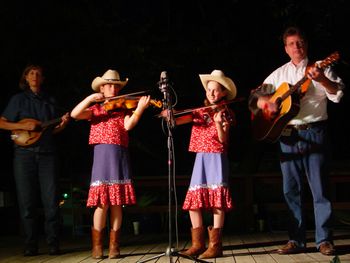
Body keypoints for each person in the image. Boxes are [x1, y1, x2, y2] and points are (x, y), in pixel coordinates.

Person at [248, 26, 344, 256]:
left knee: (319, 188)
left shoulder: (321, 66)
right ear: (285, 49)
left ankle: (324, 241)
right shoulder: (279, 74)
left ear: (306, 44)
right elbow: (255, 96)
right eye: (291, 44)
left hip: (314, 131)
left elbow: (337, 94)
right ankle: (296, 240)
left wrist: (321, 79)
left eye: (300, 42)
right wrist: (265, 103)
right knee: (291, 189)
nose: (296, 47)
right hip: (287, 135)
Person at [70, 69, 150, 259]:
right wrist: (90, 98)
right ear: (101, 88)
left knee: (117, 203)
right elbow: (74, 114)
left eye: (115, 85)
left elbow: (129, 126)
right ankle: (97, 246)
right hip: (102, 157)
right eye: (108, 85)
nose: (112, 88)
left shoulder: (123, 109)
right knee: (102, 203)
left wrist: (139, 109)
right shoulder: (96, 110)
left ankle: (114, 246)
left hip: (119, 156)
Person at [163, 70, 236, 259]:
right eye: (209, 90)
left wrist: (219, 123)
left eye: (215, 90)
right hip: (201, 158)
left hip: (217, 157)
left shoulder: (226, 113)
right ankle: (197, 244)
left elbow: (224, 141)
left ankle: (216, 245)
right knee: (194, 201)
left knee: (217, 200)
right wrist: (169, 114)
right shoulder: (199, 111)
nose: (211, 93)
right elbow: (176, 121)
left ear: (223, 93)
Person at [0, 65, 70, 256]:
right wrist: (23, 124)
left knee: (51, 200)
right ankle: (31, 244)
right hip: (23, 156)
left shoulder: (50, 102)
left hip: (47, 154)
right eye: (31, 73)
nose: (35, 76)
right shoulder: (18, 100)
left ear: (43, 78)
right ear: (25, 77)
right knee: (27, 201)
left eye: (38, 73)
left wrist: (62, 125)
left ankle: (53, 242)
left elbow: (51, 131)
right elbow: (2, 122)